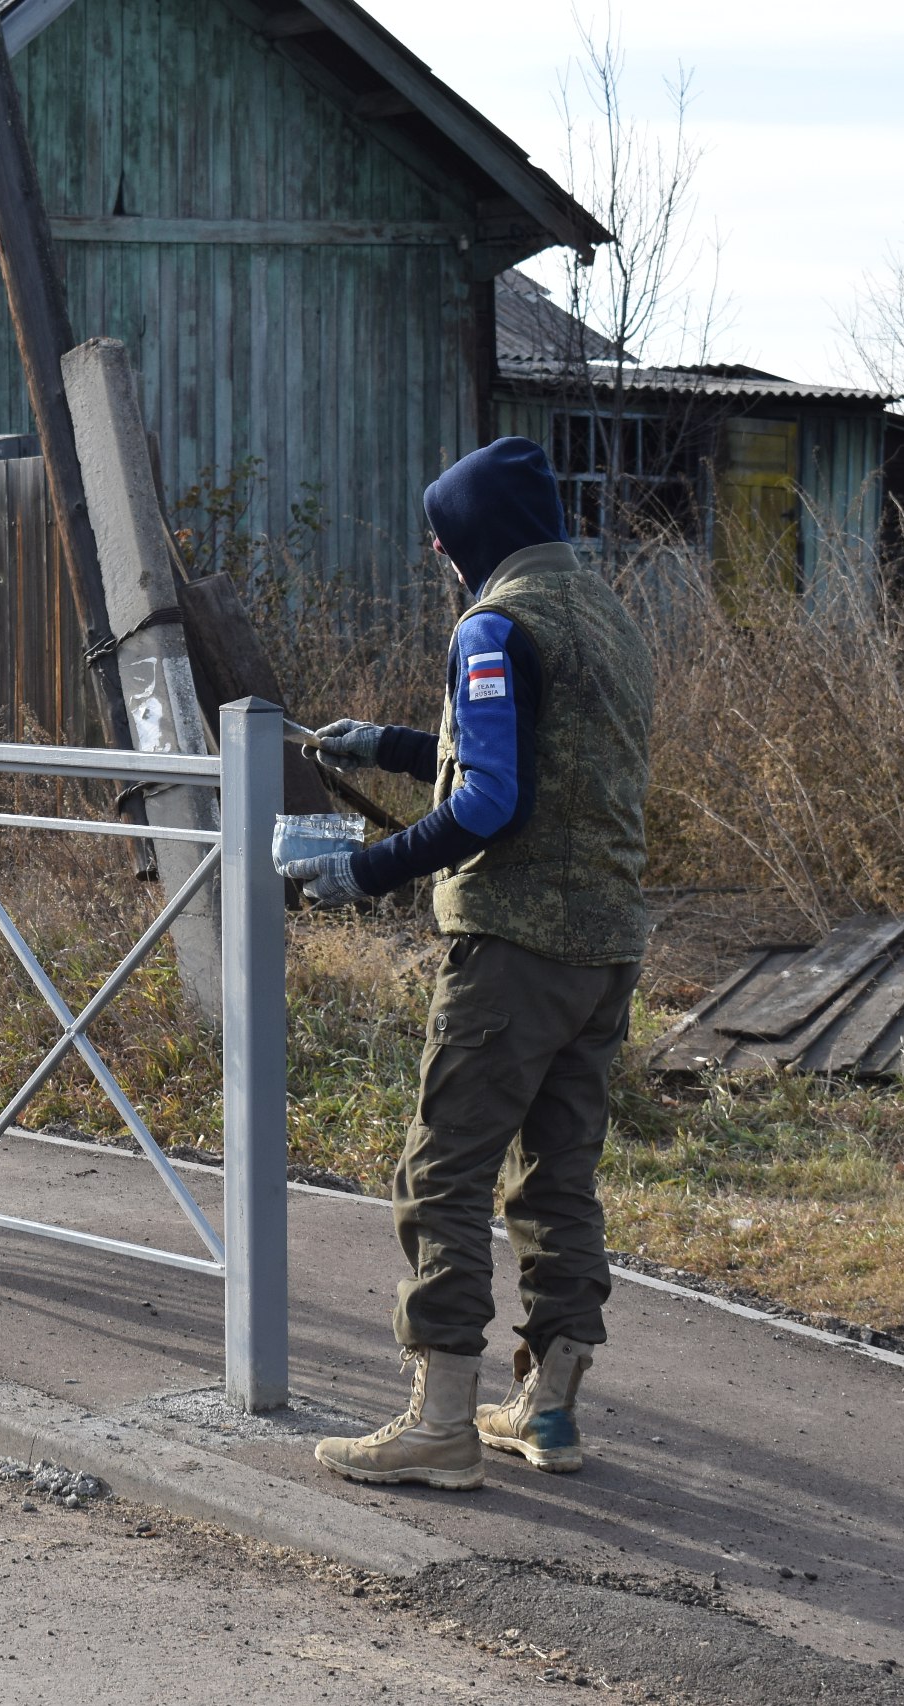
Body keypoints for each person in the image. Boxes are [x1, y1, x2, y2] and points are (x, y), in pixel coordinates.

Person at [278, 436, 653, 1490]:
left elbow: (492, 799)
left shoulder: (492, 623)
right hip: (606, 943)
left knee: (441, 1174)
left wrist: (366, 872)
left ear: (469, 537)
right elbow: (546, 748)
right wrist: (391, 744)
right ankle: (550, 1403)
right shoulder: (608, 616)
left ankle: (440, 1422)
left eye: (442, 541)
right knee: (558, 1174)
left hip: (515, 947)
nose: (443, 560)